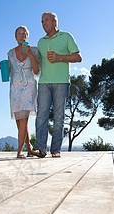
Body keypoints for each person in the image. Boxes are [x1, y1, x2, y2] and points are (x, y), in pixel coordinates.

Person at [31, 12, 82, 158]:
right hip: (44, 82)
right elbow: (38, 64)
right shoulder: (41, 41)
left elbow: (78, 57)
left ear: (55, 22)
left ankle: (55, 150)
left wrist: (60, 57)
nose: (43, 23)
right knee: (41, 116)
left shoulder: (66, 36)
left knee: (59, 117)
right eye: (41, 21)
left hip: (61, 82)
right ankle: (40, 148)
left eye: (46, 20)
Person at [4, 26, 39, 158]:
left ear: (28, 36)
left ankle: (19, 150)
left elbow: (36, 71)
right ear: (15, 36)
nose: (22, 35)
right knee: (19, 120)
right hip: (15, 88)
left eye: (24, 33)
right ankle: (29, 148)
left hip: (28, 87)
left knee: (24, 118)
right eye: (19, 33)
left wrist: (30, 54)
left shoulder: (34, 50)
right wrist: (2, 67)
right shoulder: (10, 53)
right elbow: (8, 72)